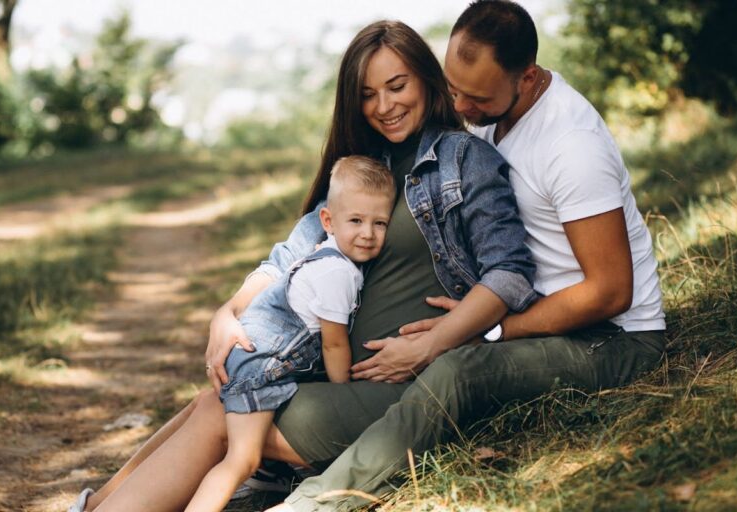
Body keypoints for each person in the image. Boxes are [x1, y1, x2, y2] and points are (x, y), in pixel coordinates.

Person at [68, 19, 537, 512]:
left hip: (404, 391)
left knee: (218, 415)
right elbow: (288, 257)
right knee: (213, 400)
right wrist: (226, 313)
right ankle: (95, 503)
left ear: (426, 78)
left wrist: (431, 345)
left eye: (397, 86)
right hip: (331, 376)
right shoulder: (362, 166)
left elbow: (508, 272)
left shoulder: (465, 160)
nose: (385, 106)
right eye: (367, 94)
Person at [271, 1, 666, 511]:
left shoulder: (570, 146)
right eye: (453, 88)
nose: (461, 108)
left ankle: (315, 503)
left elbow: (610, 292)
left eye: (475, 98)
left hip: (614, 340)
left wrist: (489, 330)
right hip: (546, 319)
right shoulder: (490, 117)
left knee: (460, 369)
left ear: (526, 79)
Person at [185, 155, 395, 512]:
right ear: (327, 220)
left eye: (380, 223)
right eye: (356, 220)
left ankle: (279, 472)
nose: (367, 233)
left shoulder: (330, 255)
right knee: (241, 460)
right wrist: (342, 393)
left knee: (244, 457)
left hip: (261, 360)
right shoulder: (336, 273)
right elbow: (333, 343)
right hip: (260, 366)